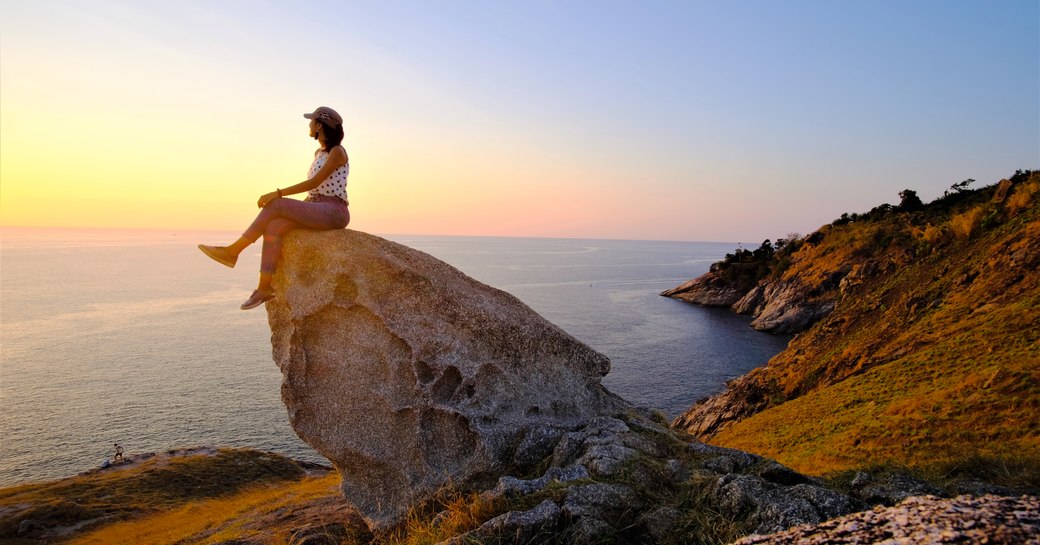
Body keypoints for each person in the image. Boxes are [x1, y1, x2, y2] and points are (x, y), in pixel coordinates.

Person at [199, 106, 351, 310]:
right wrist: (298, 208)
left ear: (320, 125)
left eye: (311, 121)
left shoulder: (337, 152)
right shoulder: (319, 153)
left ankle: (233, 251)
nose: (309, 124)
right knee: (273, 227)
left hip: (334, 211)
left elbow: (314, 183)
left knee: (276, 204)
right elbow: (313, 192)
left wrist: (278, 193)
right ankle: (264, 287)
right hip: (316, 207)